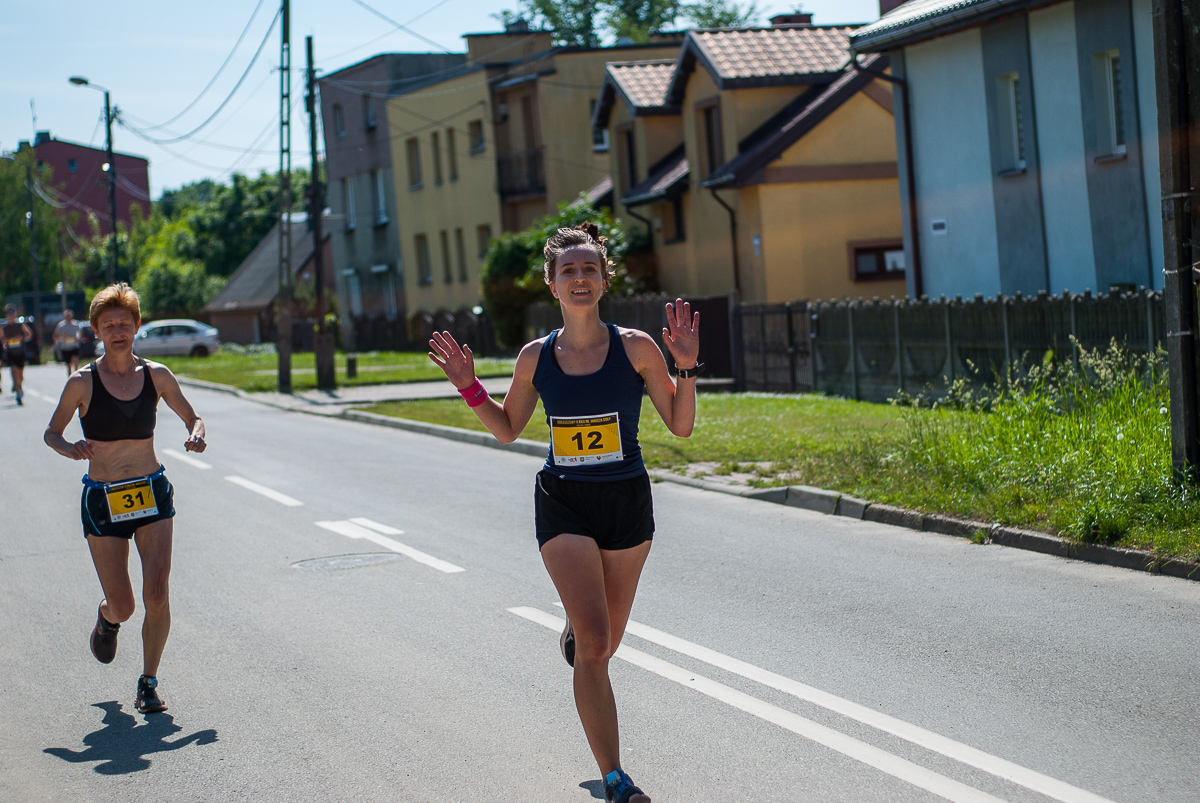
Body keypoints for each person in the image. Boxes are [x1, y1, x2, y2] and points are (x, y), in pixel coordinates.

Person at [429, 223, 701, 803]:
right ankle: (615, 777)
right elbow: (507, 430)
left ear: (605, 281)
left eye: (589, 270)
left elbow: (680, 424)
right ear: (552, 285)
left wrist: (685, 367)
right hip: (564, 502)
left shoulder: (636, 348)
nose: (580, 279)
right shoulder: (536, 358)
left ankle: (578, 637)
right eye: (568, 271)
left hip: (626, 501)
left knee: (604, 643)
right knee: (598, 645)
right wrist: (469, 387)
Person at [44, 283, 207, 715]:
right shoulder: (81, 383)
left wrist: (195, 432)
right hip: (103, 498)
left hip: (151, 491)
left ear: (137, 326)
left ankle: (148, 682)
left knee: (157, 593)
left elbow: (193, 416)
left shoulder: (157, 375)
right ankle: (107, 616)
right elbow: (52, 432)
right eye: (108, 324)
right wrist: (70, 447)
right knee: (126, 604)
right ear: (96, 330)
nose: (118, 331)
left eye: (125, 323)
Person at [3, 304, 33, 405]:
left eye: (12, 313)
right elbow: (2, 338)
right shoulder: (4, 327)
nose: (11, 316)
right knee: (14, 370)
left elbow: (29, 334)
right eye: (9, 314)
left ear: (15, 314)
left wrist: (21, 337)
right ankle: (18, 392)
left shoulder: (20, 325)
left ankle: (19, 386)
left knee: (20, 373)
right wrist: (5, 341)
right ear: (6, 315)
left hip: (20, 352)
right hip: (11, 353)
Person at [55, 308, 83, 376]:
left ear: (72, 316)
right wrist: (62, 337)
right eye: (66, 316)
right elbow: (55, 337)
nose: (68, 317)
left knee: (75, 360)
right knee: (69, 364)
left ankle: (77, 376)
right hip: (65, 347)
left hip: (74, 346)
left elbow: (80, 333)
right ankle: (70, 378)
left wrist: (78, 338)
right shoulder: (61, 326)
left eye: (69, 315)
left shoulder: (76, 324)